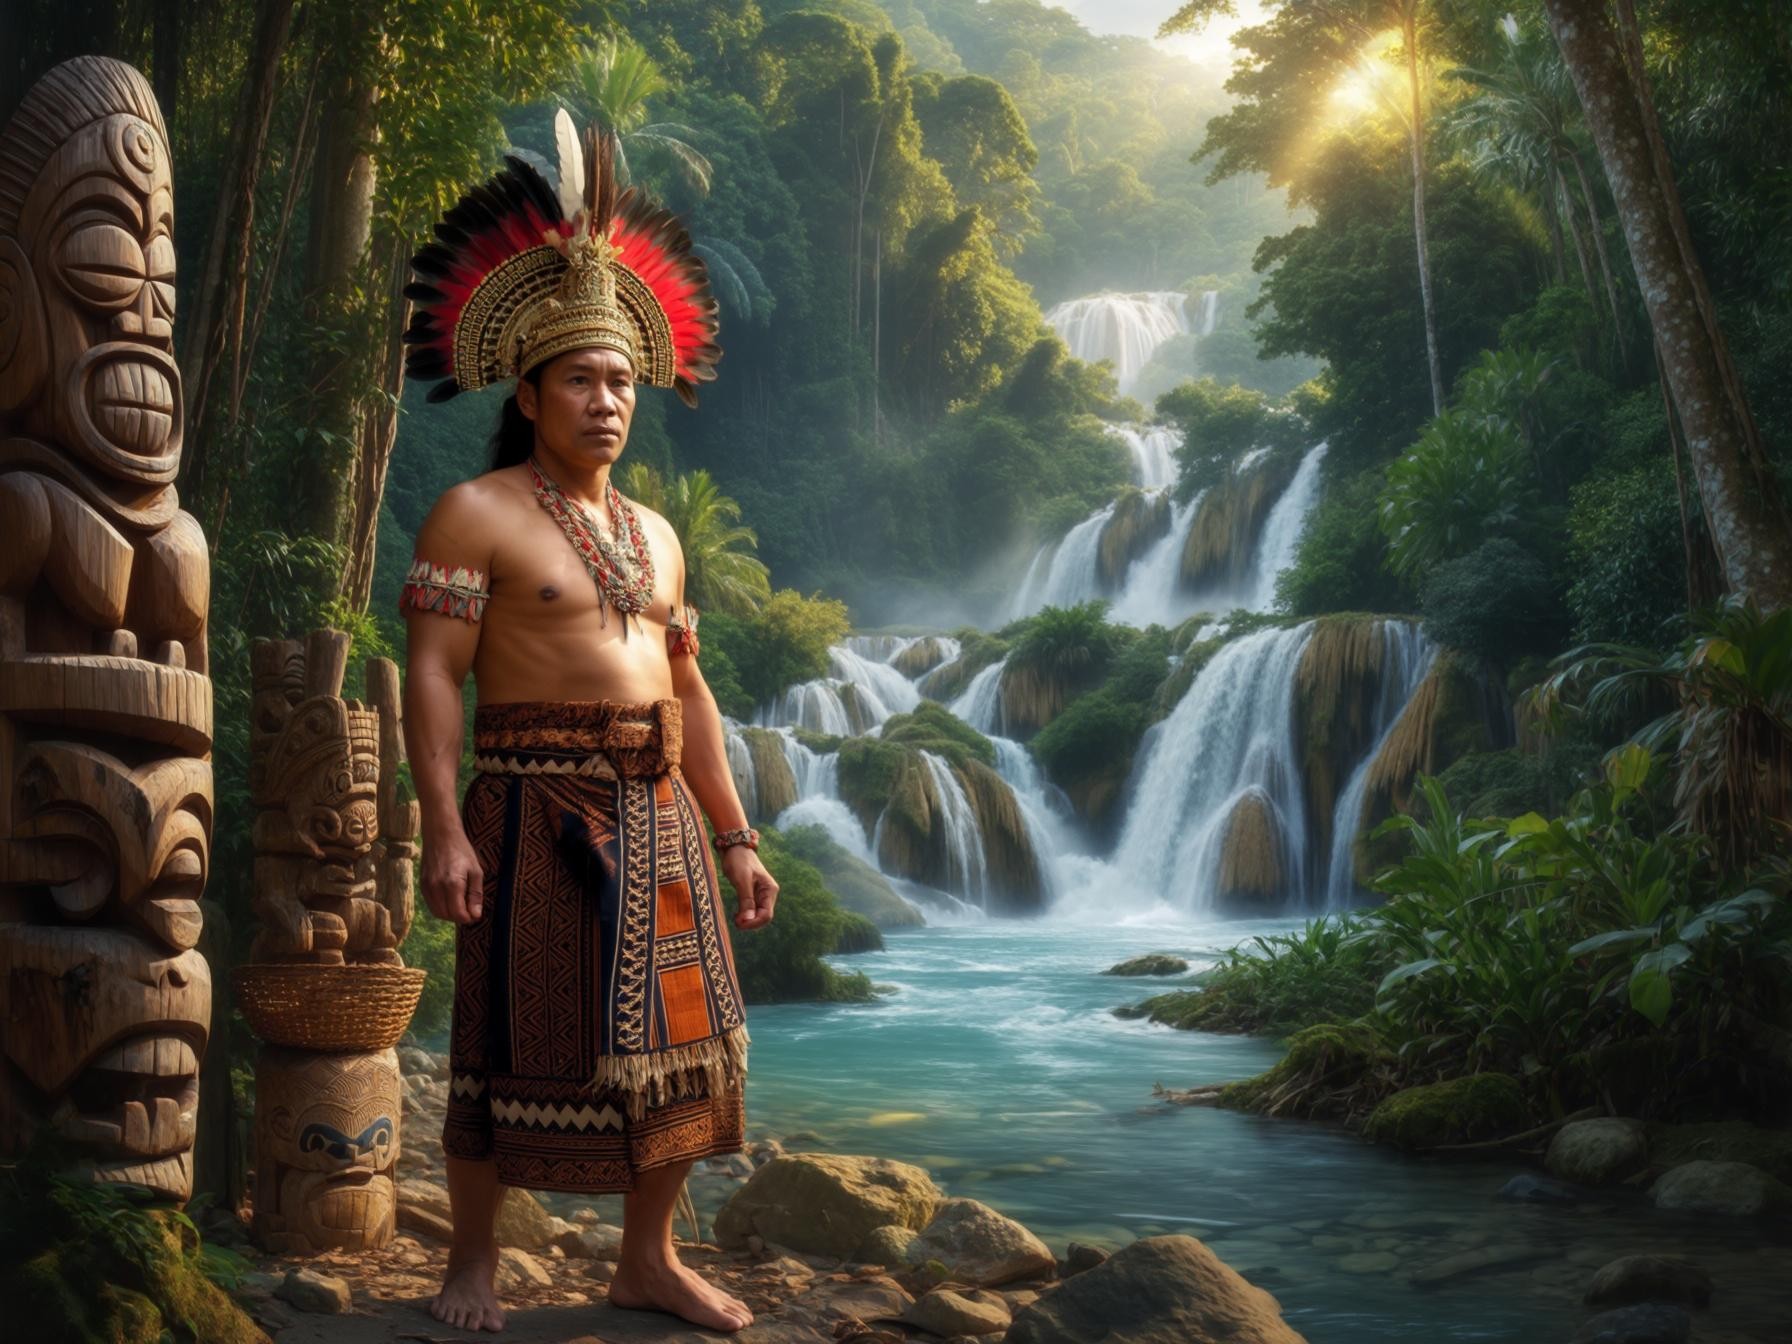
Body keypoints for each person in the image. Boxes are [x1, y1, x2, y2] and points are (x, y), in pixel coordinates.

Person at [397, 118, 776, 1335]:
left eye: (621, 380)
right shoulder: (474, 513)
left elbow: (690, 691)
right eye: (581, 379)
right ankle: (470, 1263)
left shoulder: (660, 534)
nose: (606, 400)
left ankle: (645, 1261)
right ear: (528, 390)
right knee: (506, 1043)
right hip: (527, 806)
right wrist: (442, 827)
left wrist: (736, 836)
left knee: (687, 1043)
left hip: (659, 809)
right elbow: (435, 676)